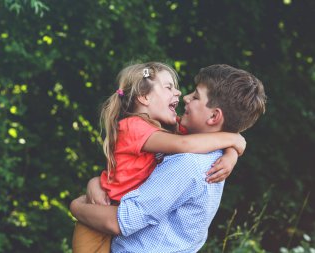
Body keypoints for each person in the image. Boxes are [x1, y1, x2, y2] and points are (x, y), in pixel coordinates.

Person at [70, 64, 267, 252]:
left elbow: (122, 221)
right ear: (144, 97)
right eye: (168, 87)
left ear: (214, 117)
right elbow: (186, 145)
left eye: (196, 96)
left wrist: (76, 207)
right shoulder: (148, 130)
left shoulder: (189, 163)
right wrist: (234, 143)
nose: (184, 96)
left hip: (105, 219)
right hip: (102, 215)